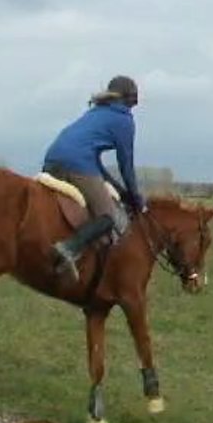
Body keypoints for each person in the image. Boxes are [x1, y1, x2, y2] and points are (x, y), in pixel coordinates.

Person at [42, 75, 147, 281]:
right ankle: (68, 248)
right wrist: (135, 197)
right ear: (130, 98)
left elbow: (96, 164)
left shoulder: (97, 112)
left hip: (52, 159)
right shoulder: (124, 120)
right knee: (108, 217)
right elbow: (126, 165)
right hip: (77, 163)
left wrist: (121, 191)